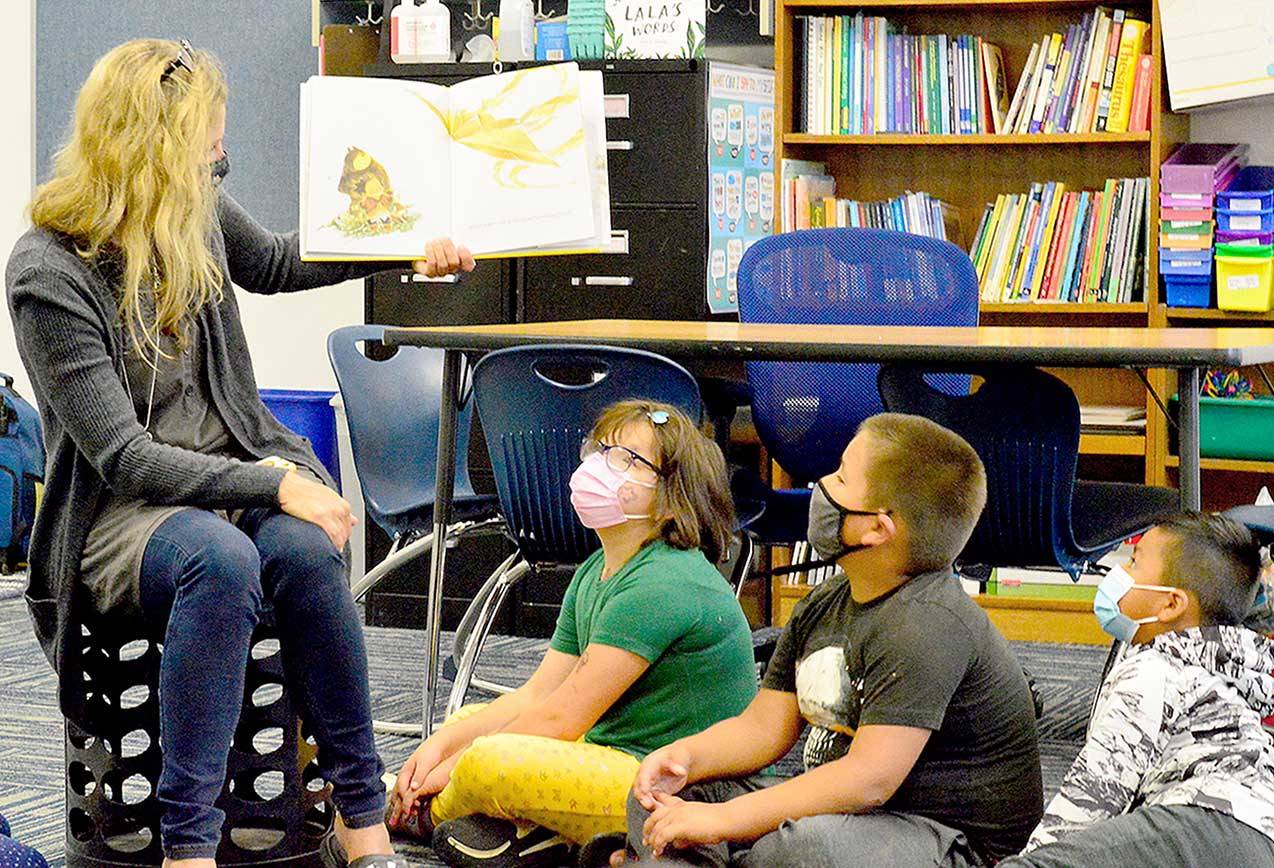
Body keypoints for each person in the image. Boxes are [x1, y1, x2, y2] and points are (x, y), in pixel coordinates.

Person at [5, 38, 473, 868]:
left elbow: (282, 260)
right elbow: (123, 459)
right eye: (208, 151)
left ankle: (361, 825)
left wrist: (405, 241)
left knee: (304, 549)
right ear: (153, 153)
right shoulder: (47, 271)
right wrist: (274, 481)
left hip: (226, 479)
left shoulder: (193, 217)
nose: (219, 165)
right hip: (121, 516)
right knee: (216, 560)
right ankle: (191, 850)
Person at [621, 413, 1044, 868]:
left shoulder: (927, 624)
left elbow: (868, 781)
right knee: (659, 794)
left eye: (840, 478)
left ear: (876, 528)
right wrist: (686, 756)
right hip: (856, 817)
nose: (821, 486)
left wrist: (722, 821)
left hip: (949, 840)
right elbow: (763, 729)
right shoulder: (826, 602)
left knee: (803, 850)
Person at [387, 399, 758, 868]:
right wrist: (437, 748)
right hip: (612, 750)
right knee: (467, 724)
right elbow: (538, 694)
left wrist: (443, 775)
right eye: (600, 450)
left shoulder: (663, 582)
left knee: (487, 761)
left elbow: (560, 721)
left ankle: (413, 816)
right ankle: (527, 836)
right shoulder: (596, 570)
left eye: (626, 459)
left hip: (677, 787)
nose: (600, 466)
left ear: (671, 498)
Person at [1002, 513, 1274, 868]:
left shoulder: (1153, 670)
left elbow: (1099, 787)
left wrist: (1035, 858)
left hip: (1204, 822)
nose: (1118, 576)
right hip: (1264, 840)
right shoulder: (1214, 665)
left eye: (1134, 565)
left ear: (1170, 604)